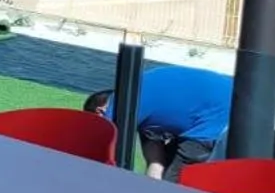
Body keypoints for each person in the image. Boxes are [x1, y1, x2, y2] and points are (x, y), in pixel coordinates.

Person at [85, 64, 233, 181]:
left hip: (214, 118)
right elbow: (155, 161)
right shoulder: (138, 102)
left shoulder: (117, 107)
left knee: (174, 184)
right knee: (167, 174)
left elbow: (100, 157)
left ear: (100, 111)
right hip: (230, 99)